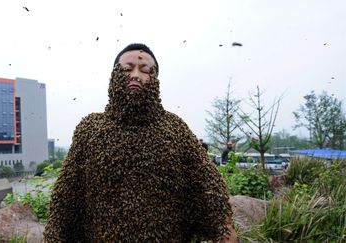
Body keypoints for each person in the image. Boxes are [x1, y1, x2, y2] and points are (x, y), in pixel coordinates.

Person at [43, 43, 237, 242]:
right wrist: (53, 236)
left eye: (145, 70)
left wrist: (225, 229)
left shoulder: (176, 129)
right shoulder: (89, 129)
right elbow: (65, 197)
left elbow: (208, 185)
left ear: (155, 80)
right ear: (114, 76)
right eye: (127, 68)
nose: (135, 75)